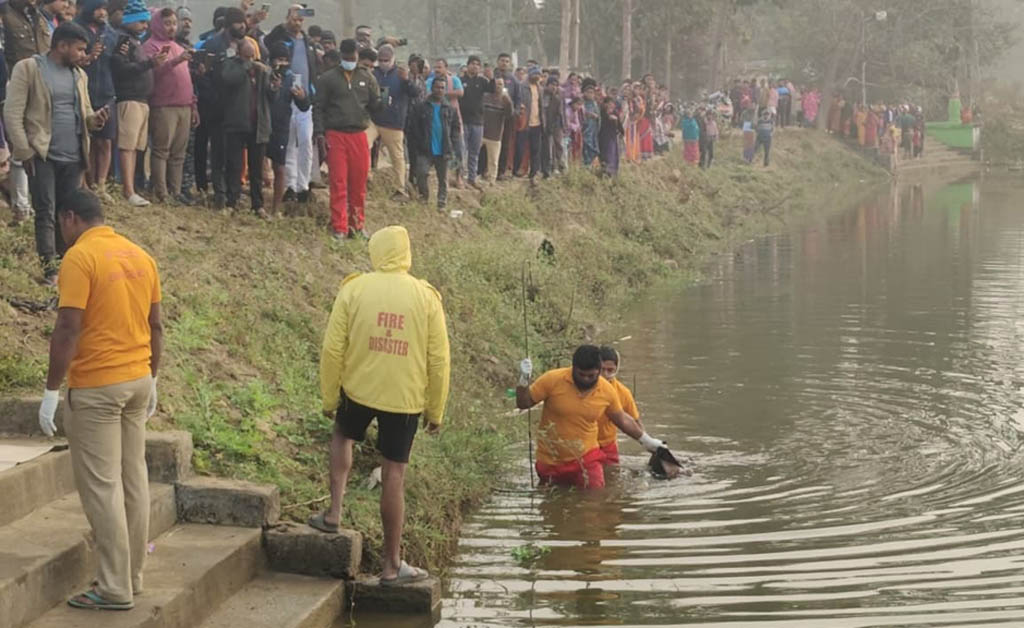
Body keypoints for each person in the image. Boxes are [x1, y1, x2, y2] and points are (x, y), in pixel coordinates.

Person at [37, 188, 162, 611]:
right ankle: (133, 577)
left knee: (103, 487)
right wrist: (153, 377)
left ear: (71, 217)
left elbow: (68, 327)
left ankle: (113, 587)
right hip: (137, 379)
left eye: (61, 223)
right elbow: (157, 325)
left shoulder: (80, 257)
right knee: (133, 481)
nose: (62, 231)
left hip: (96, 387)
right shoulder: (139, 255)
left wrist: (52, 390)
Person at [315, 225, 450, 586]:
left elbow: (332, 349)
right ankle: (392, 565)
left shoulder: (354, 288)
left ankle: (334, 513)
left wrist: (330, 396)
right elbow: (438, 360)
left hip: (357, 390)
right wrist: (435, 410)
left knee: (342, 437)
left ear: (376, 251)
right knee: (393, 474)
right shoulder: (426, 297)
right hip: (404, 400)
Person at [4, 21, 110, 284]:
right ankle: (50, 269)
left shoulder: (79, 76)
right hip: (42, 153)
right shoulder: (29, 68)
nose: (84, 55)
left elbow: (84, 113)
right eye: (80, 49)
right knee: (45, 209)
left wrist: (94, 119)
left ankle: (68, 264)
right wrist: (24, 150)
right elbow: (12, 112)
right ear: (61, 46)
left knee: (67, 212)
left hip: (73, 154)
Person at [515, 346, 665, 489]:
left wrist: (648, 441)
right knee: (551, 506)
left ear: (598, 371)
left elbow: (623, 420)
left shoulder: (607, 391)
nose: (586, 379)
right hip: (550, 460)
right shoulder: (552, 379)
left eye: (591, 376)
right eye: (581, 375)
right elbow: (523, 403)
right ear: (573, 368)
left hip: (587, 459)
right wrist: (523, 381)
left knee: (594, 503)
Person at [313, 37, 381, 240]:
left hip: (359, 134)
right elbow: (318, 108)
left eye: (352, 57)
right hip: (336, 134)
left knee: (359, 184)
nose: (349, 60)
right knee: (338, 182)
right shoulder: (328, 79)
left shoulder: (367, 77)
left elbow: (375, 105)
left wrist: (385, 101)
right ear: (340, 56)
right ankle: (339, 227)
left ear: (357, 56)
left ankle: (358, 225)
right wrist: (319, 133)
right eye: (346, 57)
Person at [111, 0, 166, 207]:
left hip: (142, 99)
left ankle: (132, 187)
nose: (145, 26)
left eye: (146, 22)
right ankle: (128, 189)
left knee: (135, 147)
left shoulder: (136, 41)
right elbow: (121, 68)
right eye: (141, 22)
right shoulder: (123, 41)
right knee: (127, 146)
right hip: (129, 98)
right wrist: (150, 63)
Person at [3, 0, 52, 224]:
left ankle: (33, 201)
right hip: (14, 83)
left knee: (36, 139)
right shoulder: (4, 12)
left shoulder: (38, 16)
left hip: (41, 84)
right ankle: (20, 206)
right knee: (17, 142)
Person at [265, 4, 318, 203]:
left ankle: (303, 185)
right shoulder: (280, 38)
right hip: (285, 94)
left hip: (304, 96)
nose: (298, 21)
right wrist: (284, 25)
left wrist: (311, 92)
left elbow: (313, 68)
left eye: (301, 17)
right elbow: (268, 42)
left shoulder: (307, 41)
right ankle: (290, 186)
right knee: (288, 144)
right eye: (295, 17)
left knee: (305, 142)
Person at [143, 7, 194, 205]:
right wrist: (175, 61)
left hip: (185, 105)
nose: (172, 27)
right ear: (157, 24)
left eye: (174, 23)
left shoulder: (179, 47)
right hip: (163, 105)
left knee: (178, 153)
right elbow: (153, 73)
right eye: (167, 23)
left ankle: (175, 191)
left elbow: (187, 78)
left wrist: (193, 105)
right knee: (161, 150)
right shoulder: (150, 46)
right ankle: (161, 192)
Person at [221, 38, 274, 216]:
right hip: (237, 122)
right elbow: (228, 80)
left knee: (256, 168)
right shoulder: (231, 65)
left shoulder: (263, 69)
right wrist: (246, 66)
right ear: (240, 54)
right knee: (234, 165)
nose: (251, 59)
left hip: (258, 124)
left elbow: (271, 95)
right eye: (247, 56)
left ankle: (258, 205)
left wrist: (275, 87)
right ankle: (231, 202)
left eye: (253, 56)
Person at [75, 0, 117, 201]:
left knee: (106, 141)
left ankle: (101, 185)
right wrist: (89, 56)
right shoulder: (77, 29)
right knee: (87, 141)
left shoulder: (110, 33)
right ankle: (87, 184)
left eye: (105, 9)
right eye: (99, 8)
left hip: (107, 92)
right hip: (85, 91)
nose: (103, 13)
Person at [368, 44, 418, 200]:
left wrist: (407, 80)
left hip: (394, 122)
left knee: (397, 157)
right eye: (381, 60)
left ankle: (400, 189)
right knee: (362, 143)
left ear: (393, 59)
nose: (384, 63)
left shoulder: (401, 74)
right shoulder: (373, 73)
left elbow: (415, 93)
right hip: (374, 120)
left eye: (387, 60)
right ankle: (365, 177)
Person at [266, 42, 308, 215]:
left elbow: (304, 105)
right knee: (257, 166)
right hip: (261, 125)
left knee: (280, 167)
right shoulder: (264, 74)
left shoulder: (293, 78)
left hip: (281, 126)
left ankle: (276, 208)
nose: (282, 63)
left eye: (285, 60)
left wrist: (302, 97)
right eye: (278, 59)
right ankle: (258, 204)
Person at [407, 78, 458, 210]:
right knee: (421, 173)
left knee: (443, 179)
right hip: (425, 149)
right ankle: (423, 198)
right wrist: (418, 144)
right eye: (437, 87)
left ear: (445, 90)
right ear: (432, 88)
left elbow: (455, 129)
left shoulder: (450, 109)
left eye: (442, 88)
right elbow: (413, 127)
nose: (439, 90)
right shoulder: (421, 107)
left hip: (443, 149)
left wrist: (453, 146)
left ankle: (442, 203)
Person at [596, 347, 641, 465]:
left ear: (617, 369)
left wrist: (650, 444)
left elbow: (635, 422)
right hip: (584, 444)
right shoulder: (584, 387)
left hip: (608, 445)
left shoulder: (623, 393)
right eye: (601, 370)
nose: (605, 375)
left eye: (610, 370)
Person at [457, 55, 492, 189]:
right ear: (467, 65)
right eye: (472, 63)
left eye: (478, 64)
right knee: (461, 150)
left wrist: (491, 77)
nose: (475, 66)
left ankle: (472, 178)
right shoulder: (460, 80)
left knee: (474, 151)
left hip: (478, 121)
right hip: (462, 121)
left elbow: (493, 89)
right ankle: (459, 177)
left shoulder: (482, 81)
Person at [481, 75, 513, 185]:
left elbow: (509, 115)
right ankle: (475, 176)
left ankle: (491, 181)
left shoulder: (505, 100)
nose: (498, 86)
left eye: (500, 84)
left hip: (495, 135)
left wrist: (508, 103)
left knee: (493, 161)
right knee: (475, 156)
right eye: (496, 84)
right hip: (481, 132)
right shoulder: (485, 97)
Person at [597, 96, 623, 177]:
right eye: (609, 103)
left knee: (612, 153)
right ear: (605, 104)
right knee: (604, 152)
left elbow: (619, 125)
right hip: (603, 135)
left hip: (612, 136)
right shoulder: (602, 112)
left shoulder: (615, 113)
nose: (611, 105)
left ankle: (612, 171)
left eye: (612, 104)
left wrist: (621, 132)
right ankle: (605, 169)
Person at [581, 79, 599, 166]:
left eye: (592, 92)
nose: (590, 94)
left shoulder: (595, 104)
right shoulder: (582, 103)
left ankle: (591, 164)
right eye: (588, 92)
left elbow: (598, 116)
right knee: (585, 145)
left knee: (592, 146)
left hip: (593, 129)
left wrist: (596, 117)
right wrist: (588, 114)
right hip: (585, 128)